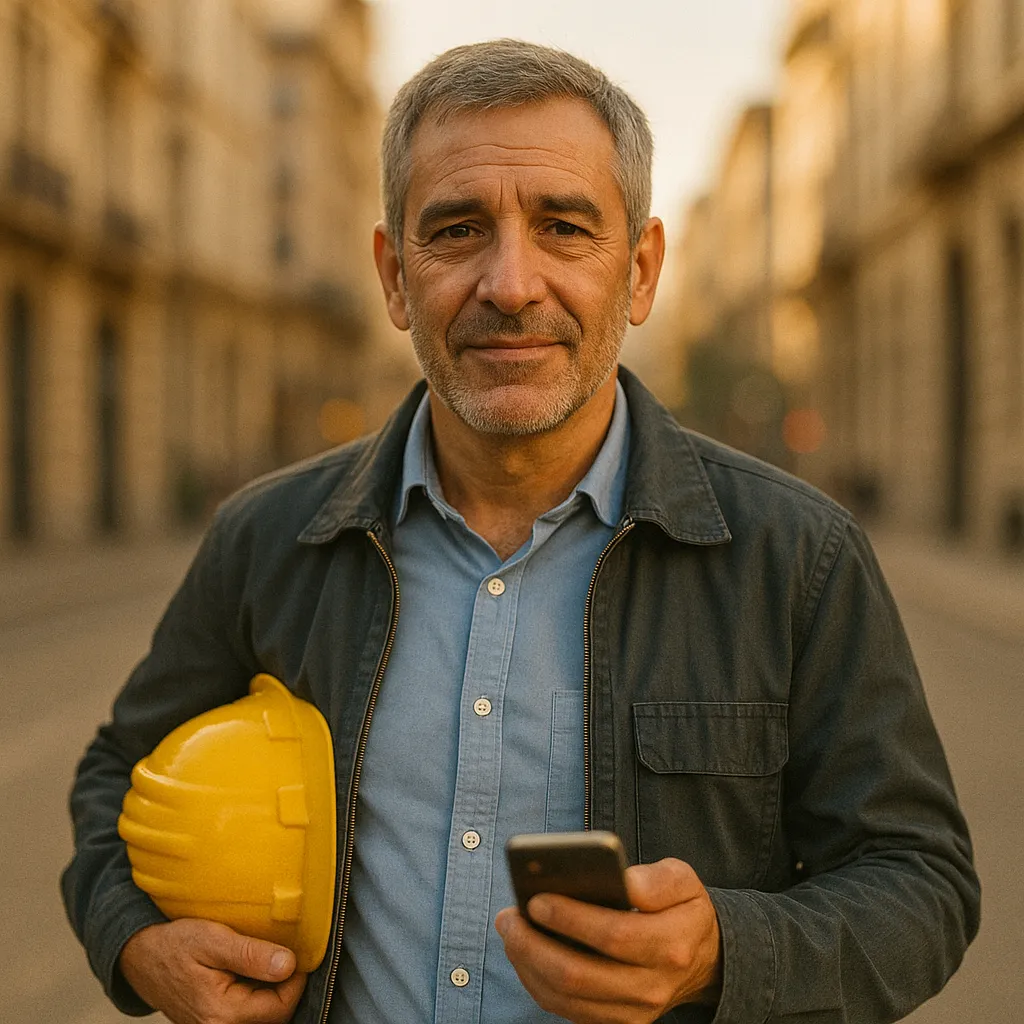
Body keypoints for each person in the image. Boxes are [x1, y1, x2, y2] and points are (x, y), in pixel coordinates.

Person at [62, 39, 979, 1024]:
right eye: (456, 230)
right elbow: (117, 775)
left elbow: (920, 883)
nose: (509, 283)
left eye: (563, 227)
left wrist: (724, 948)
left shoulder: (797, 557)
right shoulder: (265, 538)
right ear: (394, 275)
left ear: (639, 270)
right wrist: (137, 939)